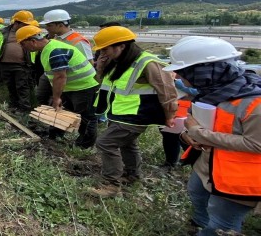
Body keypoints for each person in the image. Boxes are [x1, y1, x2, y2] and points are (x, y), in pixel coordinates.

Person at [165, 37, 261, 235]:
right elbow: (201, 121)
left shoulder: (254, 103)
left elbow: (256, 144)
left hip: (238, 178)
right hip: (208, 165)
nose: (181, 80)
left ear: (204, 72)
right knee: (197, 195)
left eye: (185, 74)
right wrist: (188, 135)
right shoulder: (212, 92)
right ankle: (199, 224)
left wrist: (198, 133)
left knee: (222, 223)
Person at [88, 26, 177, 197]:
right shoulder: (116, 62)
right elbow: (101, 84)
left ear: (120, 46)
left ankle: (112, 186)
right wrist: (100, 68)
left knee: (105, 142)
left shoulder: (147, 62)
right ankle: (132, 176)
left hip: (136, 116)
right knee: (128, 144)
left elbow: (166, 90)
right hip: (118, 112)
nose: (102, 53)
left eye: (105, 48)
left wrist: (170, 115)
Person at [16, 25, 99, 147]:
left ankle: (84, 146)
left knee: (86, 117)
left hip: (84, 87)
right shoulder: (49, 47)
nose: (23, 48)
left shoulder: (55, 51)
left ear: (32, 41)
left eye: (23, 44)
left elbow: (60, 76)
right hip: (71, 87)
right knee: (62, 111)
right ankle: (55, 136)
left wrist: (56, 97)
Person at [0, 11, 35, 113]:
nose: (27, 26)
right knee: (10, 85)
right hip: (4, 64)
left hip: (22, 64)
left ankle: (24, 108)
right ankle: (14, 105)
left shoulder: (31, 31)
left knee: (22, 86)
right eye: (24, 24)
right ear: (16, 23)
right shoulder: (2, 31)